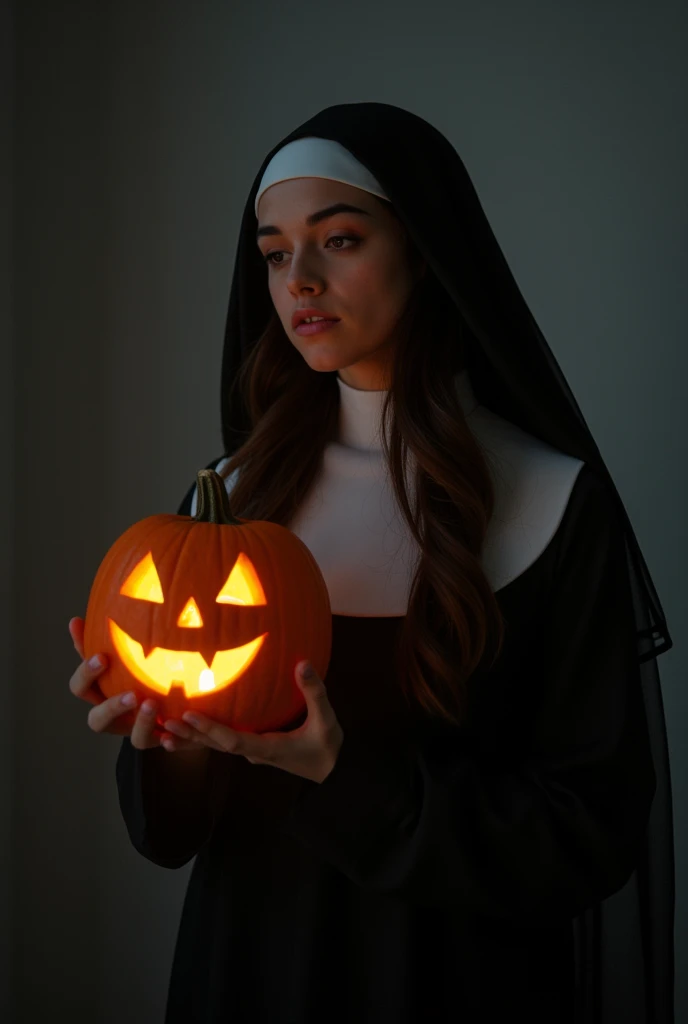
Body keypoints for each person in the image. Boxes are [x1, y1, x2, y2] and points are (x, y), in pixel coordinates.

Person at [69, 103, 674, 1023]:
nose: (300, 280)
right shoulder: (232, 501)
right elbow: (171, 838)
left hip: (464, 985)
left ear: (425, 250)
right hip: (251, 972)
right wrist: (167, 743)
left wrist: (342, 777)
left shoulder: (554, 501)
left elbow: (586, 835)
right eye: (275, 254)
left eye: (339, 239)